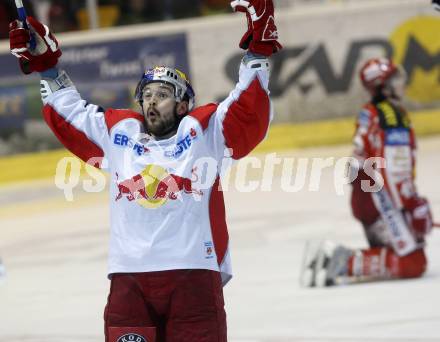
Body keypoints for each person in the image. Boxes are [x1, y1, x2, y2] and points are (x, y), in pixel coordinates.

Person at [9, 0, 281, 341]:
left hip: (193, 275)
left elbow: (248, 110)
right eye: (147, 94)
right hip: (129, 278)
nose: (151, 101)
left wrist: (259, 50)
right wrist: (46, 67)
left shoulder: (205, 131)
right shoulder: (121, 134)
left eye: (163, 95)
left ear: (183, 105)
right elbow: (71, 115)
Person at [301, 58, 433, 287]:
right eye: (395, 79)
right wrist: (411, 204)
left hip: (366, 197)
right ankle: (332, 260)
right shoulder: (392, 115)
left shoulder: (371, 110)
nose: (402, 83)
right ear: (382, 85)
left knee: (393, 251)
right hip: (378, 198)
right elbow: (392, 169)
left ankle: (342, 259)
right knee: (413, 262)